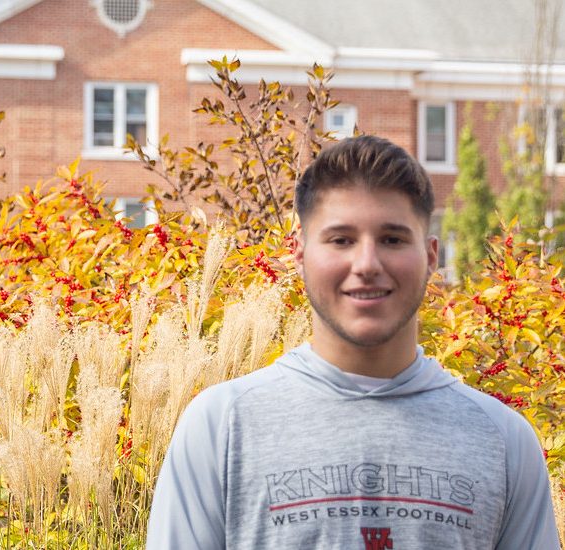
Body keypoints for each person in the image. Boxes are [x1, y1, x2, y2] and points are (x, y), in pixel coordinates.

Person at [146, 135, 560, 549]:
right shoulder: (221, 427)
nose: (366, 265)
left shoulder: (503, 441)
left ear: (431, 256)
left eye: (392, 239)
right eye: (341, 239)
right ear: (299, 253)